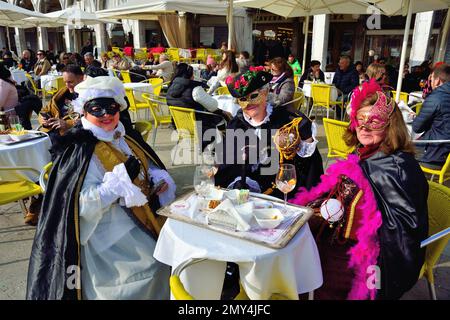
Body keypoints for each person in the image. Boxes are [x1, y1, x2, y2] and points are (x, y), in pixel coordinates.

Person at [27, 76, 174, 300]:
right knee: (155, 266)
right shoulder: (78, 148)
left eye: (111, 108)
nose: (106, 115)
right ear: (84, 112)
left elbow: (145, 168)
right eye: (97, 109)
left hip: (139, 216)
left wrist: (154, 179)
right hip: (103, 231)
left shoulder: (123, 137)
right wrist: (117, 184)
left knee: (174, 251)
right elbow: (80, 206)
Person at [291, 78, 428, 300]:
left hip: (364, 257)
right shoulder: (362, 153)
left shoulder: (398, 167)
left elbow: (402, 237)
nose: (363, 127)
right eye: (360, 119)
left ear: (390, 126)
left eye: (374, 121)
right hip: (332, 237)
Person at [215, 67, 323, 198]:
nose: (249, 104)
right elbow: (227, 166)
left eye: (254, 96)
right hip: (247, 193)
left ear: (265, 92)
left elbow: (309, 167)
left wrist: (306, 139)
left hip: (283, 193)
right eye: (243, 99)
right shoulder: (237, 125)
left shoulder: (287, 121)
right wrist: (239, 180)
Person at [166, 63, 227, 150]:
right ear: (190, 75)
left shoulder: (170, 88)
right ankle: (220, 146)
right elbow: (213, 106)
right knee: (220, 115)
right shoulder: (195, 89)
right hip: (200, 127)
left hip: (179, 126)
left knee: (217, 114)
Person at [412, 63, 450, 169]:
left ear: (437, 80)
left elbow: (417, 127)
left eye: (431, 78)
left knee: (397, 150)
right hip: (446, 157)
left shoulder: (436, 98)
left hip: (434, 156)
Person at [38, 65, 84, 147]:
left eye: (70, 82)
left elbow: (91, 121)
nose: (67, 85)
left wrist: (68, 124)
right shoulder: (62, 93)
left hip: (73, 136)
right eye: (65, 82)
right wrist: (44, 119)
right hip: (53, 132)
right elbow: (45, 110)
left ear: (81, 78)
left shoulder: (88, 96)